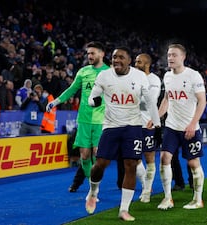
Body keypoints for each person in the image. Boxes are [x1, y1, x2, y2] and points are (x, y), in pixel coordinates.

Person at [85, 46, 161, 221]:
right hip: (111, 126)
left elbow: (150, 102)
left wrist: (157, 126)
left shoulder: (140, 76)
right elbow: (93, 97)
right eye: (114, 57)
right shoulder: (104, 75)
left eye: (121, 57)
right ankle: (93, 191)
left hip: (133, 126)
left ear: (128, 60)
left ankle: (124, 209)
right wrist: (93, 102)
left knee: (131, 165)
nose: (116, 60)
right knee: (101, 164)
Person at [46, 41, 110, 192]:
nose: (89, 56)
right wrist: (55, 101)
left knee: (97, 154)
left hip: (101, 121)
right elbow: (71, 89)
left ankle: (94, 188)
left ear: (102, 54)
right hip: (84, 120)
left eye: (93, 53)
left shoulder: (109, 73)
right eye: (88, 53)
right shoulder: (83, 71)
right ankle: (92, 185)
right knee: (85, 156)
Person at [157, 43, 206, 210]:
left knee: (193, 163)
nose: (170, 58)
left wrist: (193, 124)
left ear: (183, 57)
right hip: (172, 126)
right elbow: (166, 99)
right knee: (164, 158)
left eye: (174, 55)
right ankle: (167, 198)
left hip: (190, 127)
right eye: (169, 55)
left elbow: (202, 101)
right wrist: (157, 116)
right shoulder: (167, 76)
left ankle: (198, 199)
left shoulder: (194, 76)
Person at [133, 53, 162, 203]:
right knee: (134, 158)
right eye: (135, 61)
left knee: (149, 159)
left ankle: (147, 191)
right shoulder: (131, 78)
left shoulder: (154, 80)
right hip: (132, 124)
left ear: (147, 64)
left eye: (139, 62)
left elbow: (149, 99)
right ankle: (146, 186)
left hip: (148, 124)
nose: (136, 64)